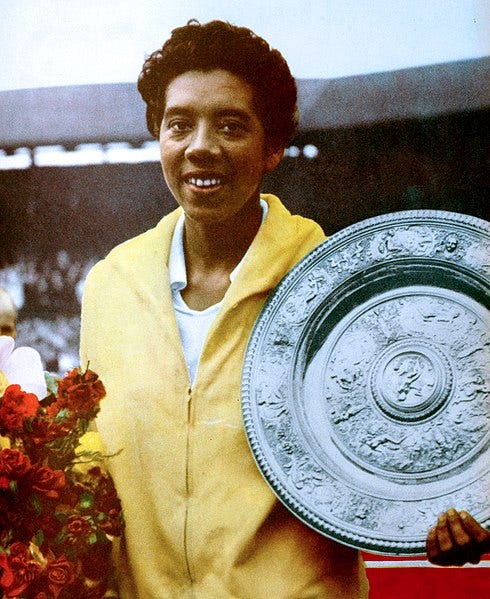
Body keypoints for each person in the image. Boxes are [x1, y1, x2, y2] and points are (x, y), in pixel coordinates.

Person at [80, 20, 487, 598]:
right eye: (180, 124)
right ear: (159, 137)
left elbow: (427, 432)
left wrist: (460, 510)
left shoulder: (341, 288)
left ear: (272, 148)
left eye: (231, 126)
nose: (201, 145)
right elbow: (92, 469)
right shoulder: (110, 286)